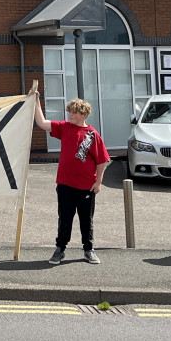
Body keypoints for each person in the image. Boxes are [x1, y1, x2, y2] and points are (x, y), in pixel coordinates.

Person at [31, 91, 111, 265]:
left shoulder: (92, 135)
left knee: (86, 219)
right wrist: (36, 101)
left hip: (86, 187)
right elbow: (42, 123)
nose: (70, 115)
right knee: (65, 218)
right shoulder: (65, 127)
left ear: (84, 114)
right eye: (69, 112)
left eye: (74, 112)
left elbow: (101, 161)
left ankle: (88, 250)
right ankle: (60, 249)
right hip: (65, 184)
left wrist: (98, 183)